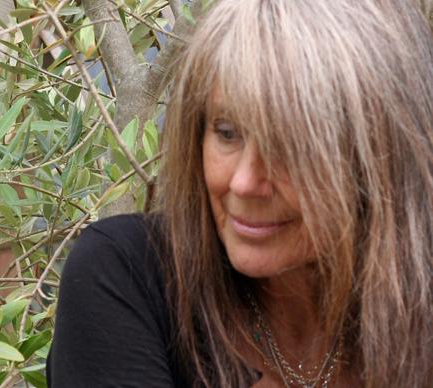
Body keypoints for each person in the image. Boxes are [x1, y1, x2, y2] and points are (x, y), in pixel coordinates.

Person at [47, 0, 433, 387]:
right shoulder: (130, 274)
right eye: (227, 132)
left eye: (289, 143)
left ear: (379, 156)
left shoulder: (417, 310)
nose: (244, 182)